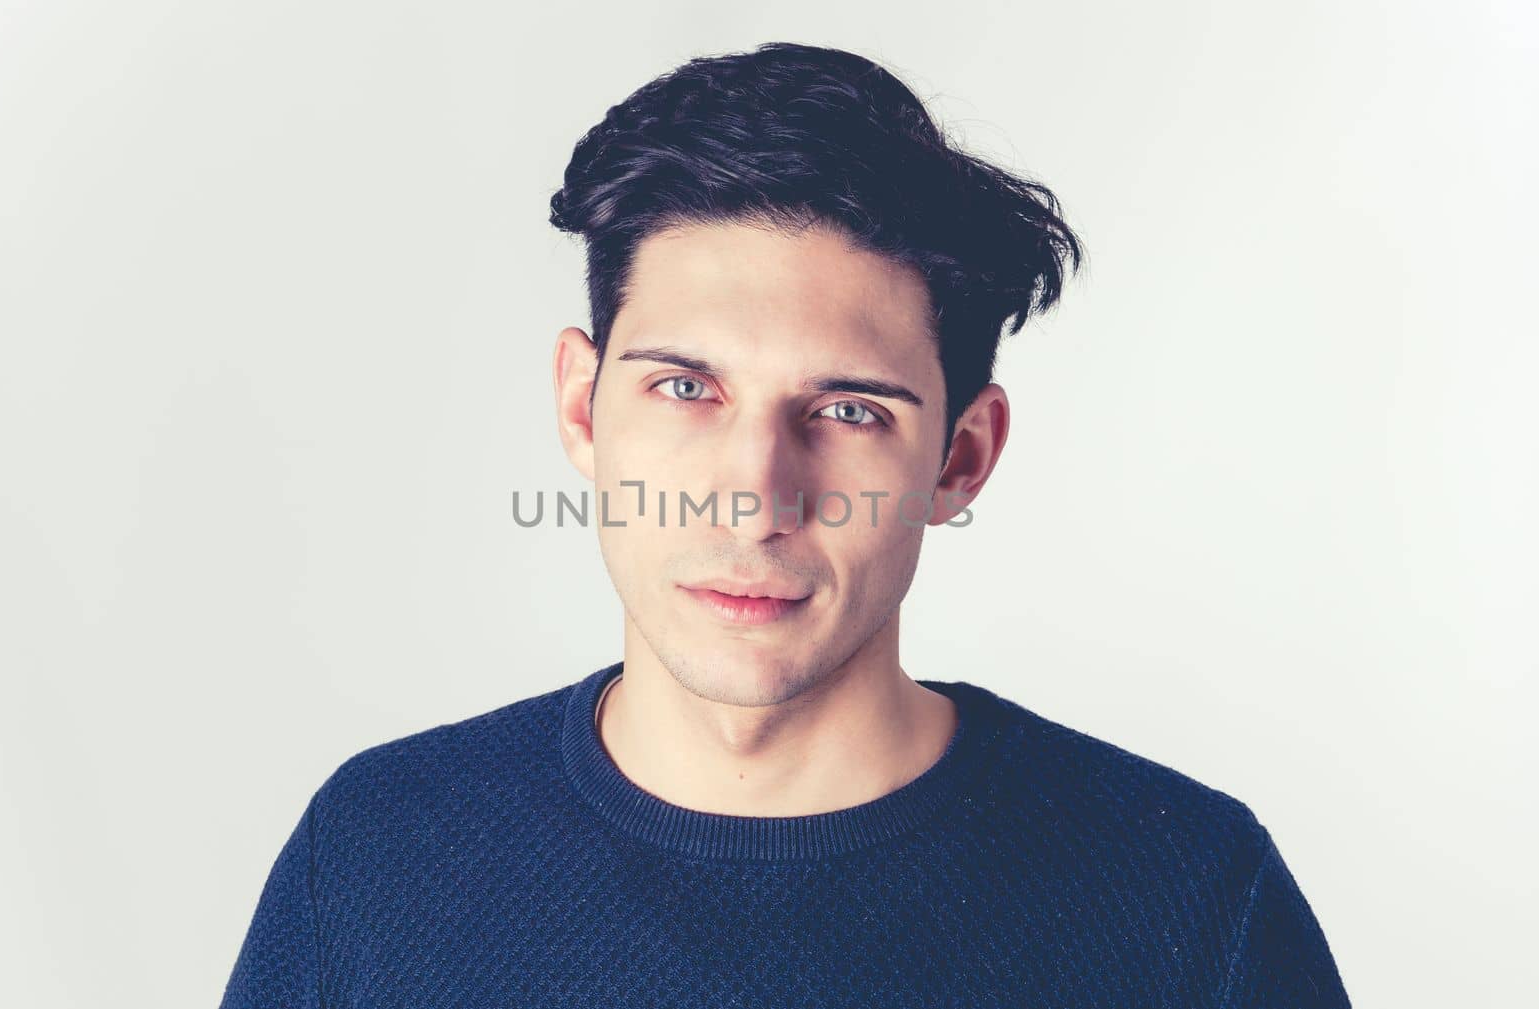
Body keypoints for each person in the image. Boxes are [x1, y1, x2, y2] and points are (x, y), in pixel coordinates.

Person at [220, 41, 1349, 1007]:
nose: (756, 497)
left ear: (960, 458)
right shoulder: (377, 855)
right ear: (582, 405)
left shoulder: (1187, 895)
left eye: (847, 410)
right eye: (684, 387)